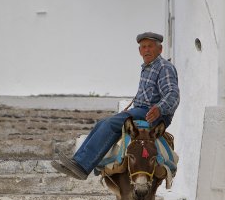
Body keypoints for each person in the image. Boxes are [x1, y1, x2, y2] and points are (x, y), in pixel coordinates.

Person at [52, 31, 180, 180]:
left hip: (154, 115)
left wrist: (159, 108)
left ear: (160, 49)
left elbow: (172, 94)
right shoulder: (147, 67)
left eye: (150, 46)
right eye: (143, 47)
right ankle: (78, 162)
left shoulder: (164, 67)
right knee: (102, 123)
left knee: (111, 123)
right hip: (141, 111)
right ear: (139, 51)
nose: (146, 50)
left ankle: (82, 165)